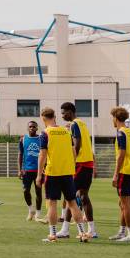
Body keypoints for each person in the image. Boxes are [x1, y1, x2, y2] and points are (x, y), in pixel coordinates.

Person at [36, 108, 89, 243]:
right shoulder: (66, 131)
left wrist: (38, 175)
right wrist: (71, 166)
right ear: (55, 117)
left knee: (52, 203)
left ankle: (52, 235)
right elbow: (73, 152)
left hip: (53, 172)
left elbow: (42, 155)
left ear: (43, 118)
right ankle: (82, 233)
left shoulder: (45, 133)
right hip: (67, 173)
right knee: (72, 203)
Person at [60, 102, 96, 238]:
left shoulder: (75, 124)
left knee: (70, 196)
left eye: (64, 112)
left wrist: (71, 162)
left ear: (70, 111)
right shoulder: (82, 123)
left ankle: (65, 230)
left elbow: (77, 145)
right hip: (87, 163)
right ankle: (92, 230)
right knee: (83, 196)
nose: (63, 115)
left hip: (80, 163)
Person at [109, 106, 130, 242]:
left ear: (116, 118)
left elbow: (121, 155)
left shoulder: (121, 133)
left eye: (113, 118)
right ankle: (122, 232)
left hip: (125, 171)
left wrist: (115, 174)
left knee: (126, 204)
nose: (113, 121)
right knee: (122, 203)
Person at [19, 121, 46, 223]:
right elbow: (20, 154)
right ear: (27, 128)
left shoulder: (41, 139)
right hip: (27, 170)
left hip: (39, 170)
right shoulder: (23, 139)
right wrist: (19, 169)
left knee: (38, 192)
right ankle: (31, 210)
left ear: (37, 128)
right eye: (30, 126)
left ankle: (38, 214)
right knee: (25, 190)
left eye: (34, 127)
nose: (32, 128)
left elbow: (45, 154)